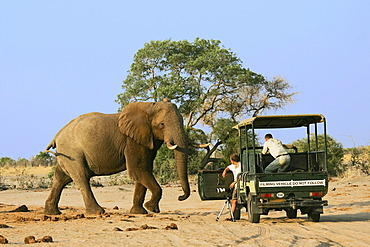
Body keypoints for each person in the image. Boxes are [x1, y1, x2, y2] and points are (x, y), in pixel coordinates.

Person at [222, 153, 241, 221]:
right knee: (234, 200)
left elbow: (242, 176)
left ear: (232, 160)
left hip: (240, 185)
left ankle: (231, 216)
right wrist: (225, 171)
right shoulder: (233, 166)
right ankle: (232, 215)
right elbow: (228, 168)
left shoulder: (241, 166)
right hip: (236, 186)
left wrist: (234, 182)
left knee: (234, 200)